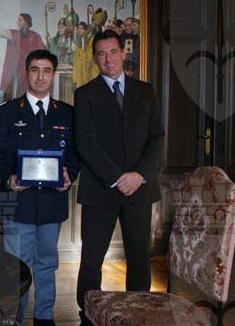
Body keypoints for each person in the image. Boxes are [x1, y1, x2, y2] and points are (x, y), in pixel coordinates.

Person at [74, 30, 164, 324]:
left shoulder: (145, 92)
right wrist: (117, 178)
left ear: (123, 53)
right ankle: (88, 317)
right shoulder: (85, 94)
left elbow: (157, 138)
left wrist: (138, 175)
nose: (108, 59)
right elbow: (86, 143)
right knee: (91, 261)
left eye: (113, 52)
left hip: (139, 190)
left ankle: (137, 316)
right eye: (101, 54)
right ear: (94, 58)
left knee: (139, 260)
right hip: (100, 190)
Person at [0, 49, 80, 326]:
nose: (40, 76)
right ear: (26, 73)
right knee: (16, 268)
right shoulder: (6, 112)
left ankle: (44, 318)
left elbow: (75, 155)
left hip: (52, 205)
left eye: (46, 70)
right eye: (35, 70)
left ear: (53, 75)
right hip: (18, 205)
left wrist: (69, 175)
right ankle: (15, 320)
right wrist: (9, 178)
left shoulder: (67, 113)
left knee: (47, 265)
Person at [0, 13, 45, 101]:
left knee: (29, 94)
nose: (17, 22)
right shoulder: (15, 34)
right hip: (17, 70)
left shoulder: (35, 37)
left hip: (29, 71)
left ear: (26, 22)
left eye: (20, 20)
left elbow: (43, 51)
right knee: (13, 93)